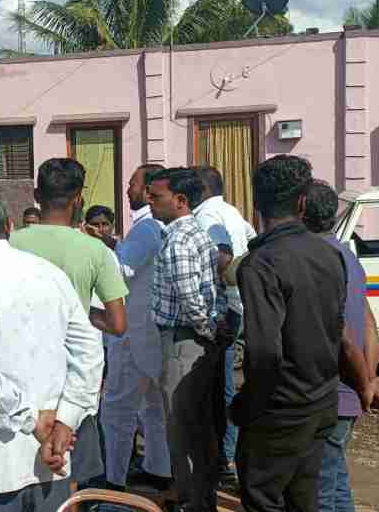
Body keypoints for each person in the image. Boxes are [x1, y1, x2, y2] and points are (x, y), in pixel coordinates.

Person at [0, 188, 103, 511]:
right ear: (10, 225)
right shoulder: (49, 274)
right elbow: (90, 350)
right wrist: (65, 419)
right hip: (51, 456)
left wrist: (34, 422)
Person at [231, 156, 354, 512]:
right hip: (321, 401)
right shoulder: (330, 254)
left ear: (256, 204)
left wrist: (248, 406)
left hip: (281, 408)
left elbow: (265, 352)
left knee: (262, 498)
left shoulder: (261, 263)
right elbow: (336, 328)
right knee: (304, 500)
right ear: (303, 202)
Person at [10, 158, 129, 492]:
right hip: (74, 380)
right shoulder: (96, 251)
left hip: (19, 377)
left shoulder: (10, 244)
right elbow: (118, 324)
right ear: (79, 199)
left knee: (22, 476)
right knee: (71, 476)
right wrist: (78, 313)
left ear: (36, 195)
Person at [302, 181, 379, 512]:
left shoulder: (316, 260)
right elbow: (369, 324)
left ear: (300, 210)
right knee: (337, 480)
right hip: (349, 393)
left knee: (322, 489)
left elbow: (343, 335)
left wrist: (363, 382)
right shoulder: (347, 256)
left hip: (333, 391)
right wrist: (368, 378)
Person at [147, 167, 228, 512]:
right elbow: (216, 287)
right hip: (196, 339)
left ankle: (191, 501)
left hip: (184, 341)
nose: (149, 202)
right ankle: (201, 498)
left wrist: (207, 329)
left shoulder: (180, 239)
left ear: (180, 201)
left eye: (156, 197)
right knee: (199, 426)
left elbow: (191, 297)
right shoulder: (195, 232)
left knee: (182, 429)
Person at [100, 164, 172, 493]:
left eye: (132, 184)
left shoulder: (145, 228)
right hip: (153, 331)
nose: (127, 190)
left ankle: (113, 478)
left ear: (146, 192)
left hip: (133, 331)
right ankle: (159, 469)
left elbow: (121, 269)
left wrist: (96, 248)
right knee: (153, 407)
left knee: (117, 408)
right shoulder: (156, 226)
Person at [192, 165, 257, 484]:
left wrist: (219, 281)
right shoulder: (233, 212)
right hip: (242, 303)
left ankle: (224, 460)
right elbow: (254, 245)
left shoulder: (205, 216)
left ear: (201, 190)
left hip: (225, 305)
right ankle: (228, 456)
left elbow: (223, 258)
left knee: (219, 387)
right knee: (228, 382)